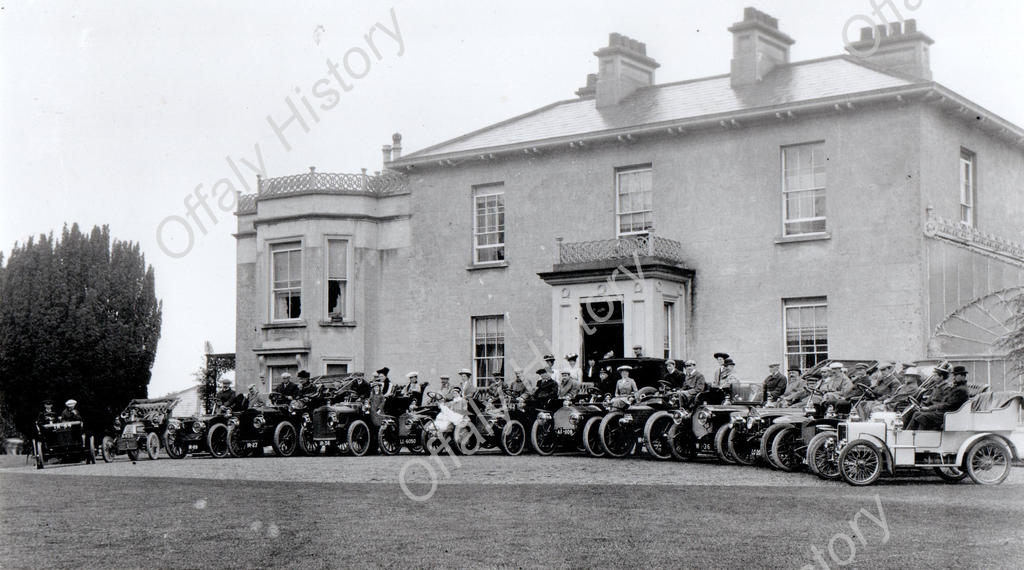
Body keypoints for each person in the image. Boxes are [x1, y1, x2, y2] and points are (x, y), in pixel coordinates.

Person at [906, 366, 970, 430]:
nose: (953, 377)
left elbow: (948, 404)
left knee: (921, 416)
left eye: (956, 375)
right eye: (953, 375)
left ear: (963, 376)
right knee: (917, 414)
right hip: (945, 412)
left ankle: (917, 436)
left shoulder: (961, 389)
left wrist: (929, 408)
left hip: (948, 414)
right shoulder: (958, 387)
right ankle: (910, 434)